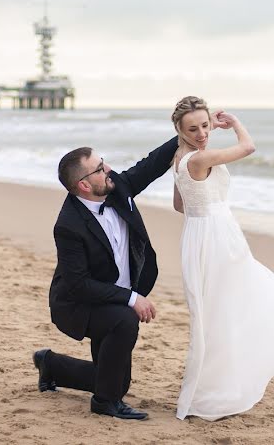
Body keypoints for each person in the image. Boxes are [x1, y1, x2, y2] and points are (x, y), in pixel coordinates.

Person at [171, 96, 274, 421]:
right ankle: (216, 392)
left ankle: (210, 390)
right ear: (180, 130)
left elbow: (179, 205)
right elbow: (248, 147)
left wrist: (205, 205)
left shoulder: (180, 158)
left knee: (214, 315)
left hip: (198, 236)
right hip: (217, 238)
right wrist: (236, 123)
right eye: (193, 129)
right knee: (240, 305)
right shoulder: (202, 158)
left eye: (204, 126)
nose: (201, 133)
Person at [34, 136, 177, 420]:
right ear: (84, 185)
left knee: (118, 381)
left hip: (109, 298)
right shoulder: (68, 226)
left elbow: (151, 165)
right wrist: (131, 297)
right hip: (79, 303)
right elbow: (78, 285)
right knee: (125, 322)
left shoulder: (117, 188)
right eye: (100, 168)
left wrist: (185, 135)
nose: (108, 169)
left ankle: (50, 364)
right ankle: (104, 402)